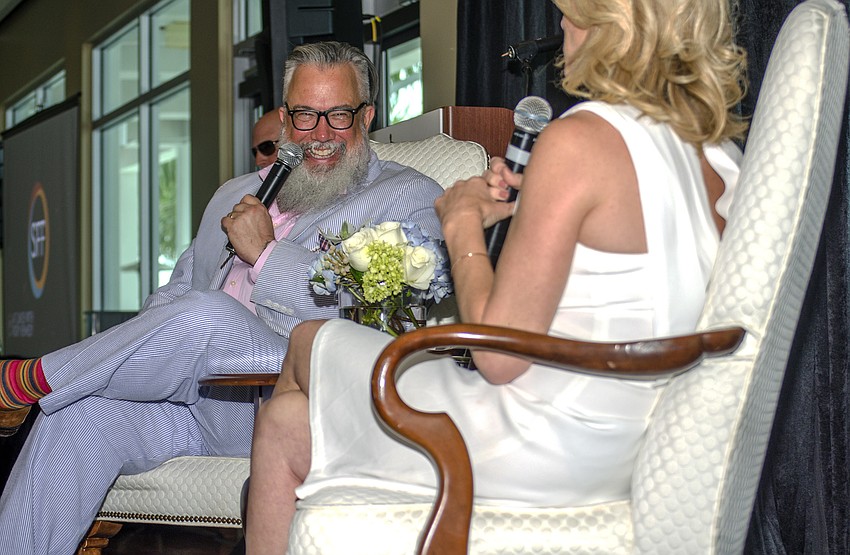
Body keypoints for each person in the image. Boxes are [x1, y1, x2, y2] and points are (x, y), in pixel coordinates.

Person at [243, 0, 748, 552]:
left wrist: (462, 225)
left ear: (613, 22)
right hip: (625, 444)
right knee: (287, 418)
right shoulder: (717, 155)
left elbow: (498, 357)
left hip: (536, 445)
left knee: (306, 342)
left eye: (572, 13)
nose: (559, 25)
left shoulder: (578, 142)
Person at [0, 41, 444, 553]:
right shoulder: (235, 194)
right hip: (196, 402)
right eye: (304, 116)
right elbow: (175, 296)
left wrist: (266, 255)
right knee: (75, 414)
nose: (320, 134)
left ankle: (30, 379)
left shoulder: (407, 195)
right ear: (284, 119)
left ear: (366, 116)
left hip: (287, 397)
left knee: (209, 313)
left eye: (338, 115)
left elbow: (373, 316)